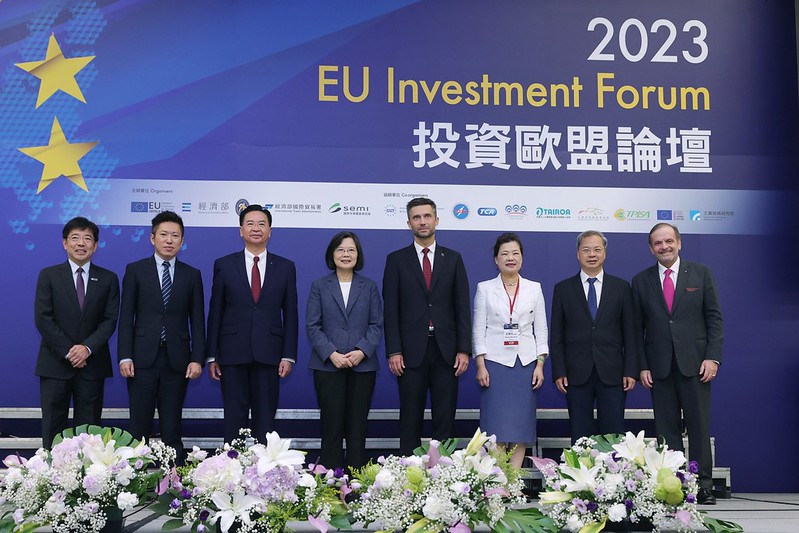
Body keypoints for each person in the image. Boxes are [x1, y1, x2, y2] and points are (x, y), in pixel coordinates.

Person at [632, 223, 723, 505]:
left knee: (698, 427)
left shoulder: (700, 273)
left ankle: (703, 486)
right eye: (658, 243)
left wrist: (712, 356)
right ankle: (673, 486)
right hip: (659, 368)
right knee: (666, 429)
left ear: (679, 243)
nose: (664, 247)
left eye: (669, 241)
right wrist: (642, 366)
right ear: (651, 248)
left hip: (696, 365)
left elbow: (714, 319)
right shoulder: (641, 280)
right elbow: (637, 329)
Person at [383, 197, 471, 455]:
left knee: (445, 418)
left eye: (427, 216)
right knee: (410, 418)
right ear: (409, 223)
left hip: (447, 352)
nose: (422, 222)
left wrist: (464, 349)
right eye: (416, 217)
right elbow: (391, 310)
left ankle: (442, 479)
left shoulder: (453, 259)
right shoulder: (396, 260)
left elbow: (462, 307)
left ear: (436, 220)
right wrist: (394, 351)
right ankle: (409, 480)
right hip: (410, 353)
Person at [207, 204, 298, 443]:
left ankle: (263, 474)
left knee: (265, 422)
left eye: (261, 224)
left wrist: (288, 355)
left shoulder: (285, 267)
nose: (256, 228)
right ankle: (232, 472)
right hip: (232, 353)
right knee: (234, 420)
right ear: (240, 230)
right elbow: (216, 311)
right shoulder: (224, 264)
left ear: (270, 231)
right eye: (250, 223)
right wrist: (212, 355)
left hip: (269, 353)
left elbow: (290, 313)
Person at [118, 211, 205, 456]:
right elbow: (126, 317)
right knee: (139, 426)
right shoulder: (135, 270)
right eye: (164, 235)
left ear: (182, 240)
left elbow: (197, 320)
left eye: (175, 236)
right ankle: (135, 483)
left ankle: (173, 484)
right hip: (141, 359)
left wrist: (197, 358)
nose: (169, 240)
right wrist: (125, 356)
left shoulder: (192, 274)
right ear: (152, 238)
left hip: (177, 361)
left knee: (172, 426)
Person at [34, 217, 119, 448]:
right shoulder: (49, 275)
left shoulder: (108, 279)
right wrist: (70, 352)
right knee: (53, 426)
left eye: (87, 238)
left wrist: (86, 349)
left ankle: (87, 480)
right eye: (75, 238)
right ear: (64, 243)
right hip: (55, 363)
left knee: (89, 431)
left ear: (95, 245)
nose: (81, 243)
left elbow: (109, 320)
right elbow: (43, 318)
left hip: (92, 365)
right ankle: (50, 478)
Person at [550, 230, 638, 442]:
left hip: (613, 372)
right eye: (586, 250)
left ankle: (614, 475)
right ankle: (580, 475)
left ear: (605, 254)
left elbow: (631, 333)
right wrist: (559, 371)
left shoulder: (621, 287)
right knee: (580, 435)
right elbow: (557, 334)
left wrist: (630, 370)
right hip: (576, 373)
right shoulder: (563, 289)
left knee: (614, 435)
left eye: (597, 249)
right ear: (577, 254)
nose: (592, 254)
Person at [306, 231, 383, 469]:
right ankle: (331, 483)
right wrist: (332, 354)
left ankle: (356, 482)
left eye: (351, 250)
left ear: (358, 255)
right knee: (331, 425)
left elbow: (376, 323)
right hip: (328, 366)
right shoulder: (319, 285)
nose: (346, 254)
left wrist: (361, 351)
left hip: (363, 367)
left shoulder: (368, 286)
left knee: (357, 427)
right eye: (340, 250)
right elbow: (312, 325)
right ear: (332, 254)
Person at [472, 232, 547, 468]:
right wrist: (481, 365)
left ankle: (512, 483)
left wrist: (540, 364)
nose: (510, 258)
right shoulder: (484, 288)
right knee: (495, 429)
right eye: (504, 254)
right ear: (496, 259)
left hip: (525, 364)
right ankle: (497, 481)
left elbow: (541, 329)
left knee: (520, 429)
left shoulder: (534, 288)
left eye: (515, 253)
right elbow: (478, 329)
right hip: (495, 364)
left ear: (522, 259)